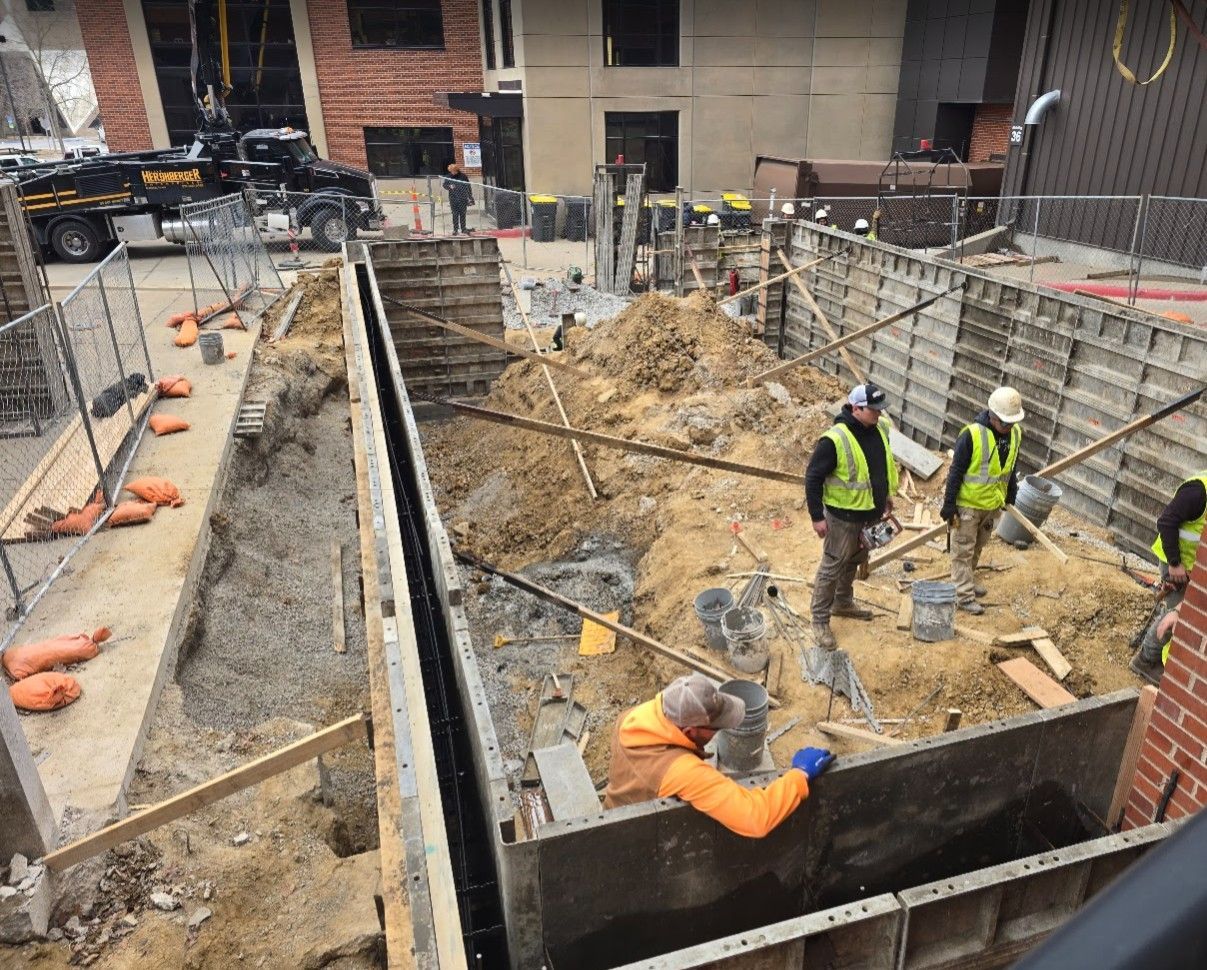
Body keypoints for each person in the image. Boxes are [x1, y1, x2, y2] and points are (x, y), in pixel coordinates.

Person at [603, 673, 834, 837]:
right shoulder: (680, 771)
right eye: (715, 728)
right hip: (636, 836)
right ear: (690, 731)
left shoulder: (632, 717)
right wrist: (799, 775)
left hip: (613, 810)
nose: (720, 730)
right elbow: (755, 818)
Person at [804, 384, 898, 649]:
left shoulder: (879, 429)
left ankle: (842, 602)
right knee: (832, 565)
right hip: (842, 517)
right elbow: (813, 477)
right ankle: (820, 620)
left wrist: (886, 495)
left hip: (870, 513)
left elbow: (882, 465)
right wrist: (816, 517)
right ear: (856, 409)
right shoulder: (834, 440)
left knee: (855, 559)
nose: (879, 415)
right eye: (874, 410)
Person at [939, 387, 1025, 615]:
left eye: (1011, 423)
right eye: (1004, 423)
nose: (1008, 428)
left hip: (992, 504)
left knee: (977, 546)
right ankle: (963, 595)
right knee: (962, 550)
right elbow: (956, 471)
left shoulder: (1015, 433)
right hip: (968, 505)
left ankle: (967, 582)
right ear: (992, 415)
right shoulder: (972, 435)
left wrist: (1010, 494)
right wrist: (949, 505)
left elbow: (1010, 467)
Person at [1131, 471, 1206, 682]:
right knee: (1177, 612)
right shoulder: (1198, 492)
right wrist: (1174, 564)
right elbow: (1165, 522)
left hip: (1191, 567)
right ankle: (1146, 660)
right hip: (1174, 562)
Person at [442, 162, 474, 235]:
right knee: (455, 214)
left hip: (463, 197)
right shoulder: (448, 176)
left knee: (463, 213)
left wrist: (470, 197)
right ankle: (455, 229)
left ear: (456, 170)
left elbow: (468, 186)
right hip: (453, 197)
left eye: (453, 171)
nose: (452, 173)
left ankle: (463, 229)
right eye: (451, 171)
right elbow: (444, 185)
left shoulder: (463, 176)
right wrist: (449, 186)